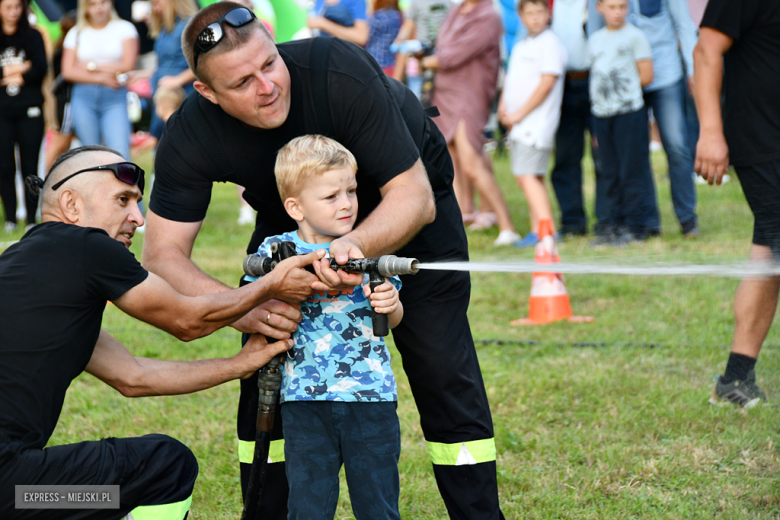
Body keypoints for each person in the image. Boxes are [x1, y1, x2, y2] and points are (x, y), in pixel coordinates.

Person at [144, 4, 505, 519]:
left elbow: (414, 198)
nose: (266, 86)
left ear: (274, 40)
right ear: (207, 93)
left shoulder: (336, 68)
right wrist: (246, 308)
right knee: (268, 352)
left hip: (406, 198)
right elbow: (162, 254)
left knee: (440, 362)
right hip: (292, 214)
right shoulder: (192, 131)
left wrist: (352, 248)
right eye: (242, 82)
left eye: (269, 64)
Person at [0, 145, 324, 519]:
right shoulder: (87, 246)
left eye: (138, 203)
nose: (137, 218)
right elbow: (187, 321)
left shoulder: (28, 269)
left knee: (106, 496)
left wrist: (240, 364)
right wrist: (271, 285)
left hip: (18, 494)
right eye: (122, 200)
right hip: (14, 486)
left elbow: (133, 376)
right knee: (167, 466)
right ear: (71, 205)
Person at [251, 135, 405, 519]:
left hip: (371, 397)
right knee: (308, 503)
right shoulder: (277, 251)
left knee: (378, 504)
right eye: (331, 196)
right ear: (295, 207)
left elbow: (393, 316)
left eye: (351, 191)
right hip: (304, 399)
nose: (347, 203)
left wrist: (392, 304)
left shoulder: (367, 246)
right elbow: (254, 296)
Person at [694, 0, 780, 407]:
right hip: (763, 143)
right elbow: (706, 50)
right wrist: (711, 131)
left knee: (768, 254)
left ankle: (736, 379)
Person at [588, 0, 700, 238]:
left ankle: (688, 219)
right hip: (623, 85)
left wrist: (693, 69)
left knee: (676, 145)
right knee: (634, 157)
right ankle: (647, 223)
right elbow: (596, 32)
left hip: (664, 74)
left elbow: (684, 23)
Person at [421, 0, 521, 246]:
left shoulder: (488, 14)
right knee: (451, 158)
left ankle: (507, 226)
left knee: (471, 161)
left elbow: (456, 53)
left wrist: (429, 61)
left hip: (469, 95)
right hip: (445, 94)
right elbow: (443, 44)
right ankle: (464, 214)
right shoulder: (458, 8)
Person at [588, 0, 659, 246]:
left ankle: (635, 227)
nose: (617, 12)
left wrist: (622, 93)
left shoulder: (636, 37)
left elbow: (647, 75)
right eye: (611, 7)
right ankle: (611, 226)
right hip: (601, 116)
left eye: (621, 6)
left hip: (629, 114)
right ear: (600, 8)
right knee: (609, 172)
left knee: (632, 171)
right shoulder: (595, 39)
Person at [498, 0, 567, 248]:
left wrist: (520, 114)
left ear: (548, 14)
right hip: (519, 124)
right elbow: (511, 79)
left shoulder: (550, 43)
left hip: (535, 124)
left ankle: (546, 231)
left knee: (527, 175)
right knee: (530, 176)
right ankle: (538, 228)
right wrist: (504, 107)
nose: (535, 18)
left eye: (540, 12)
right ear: (521, 16)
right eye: (530, 13)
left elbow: (547, 83)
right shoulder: (521, 45)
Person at [549, 0, 603, 238]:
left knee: (604, 156)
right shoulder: (550, 4)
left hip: (597, 80)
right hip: (562, 85)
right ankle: (572, 223)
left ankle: (607, 219)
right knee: (566, 157)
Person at [61, 0, 139, 160]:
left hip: (114, 96)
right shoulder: (76, 33)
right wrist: (102, 78)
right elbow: (67, 71)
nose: (99, 8)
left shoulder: (125, 28)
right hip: (83, 98)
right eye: (93, 4)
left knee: (120, 153)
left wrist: (90, 66)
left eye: (103, 2)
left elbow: (128, 65)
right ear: (85, 7)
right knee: (91, 156)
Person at [0, 0, 46, 233]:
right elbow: (30, 67)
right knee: (4, 165)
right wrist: (20, 68)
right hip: (2, 112)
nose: (13, 12)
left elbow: (41, 68)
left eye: (17, 6)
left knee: (30, 165)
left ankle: (30, 219)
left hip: (30, 110)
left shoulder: (34, 36)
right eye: (7, 6)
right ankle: (9, 217)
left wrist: (19, 75)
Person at [44, 10, 77, 175]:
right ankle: (46, 178)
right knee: (60, 141)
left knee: (64, 144)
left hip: (66, 99)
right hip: (67, 100)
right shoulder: (65, 50)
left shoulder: (60, 47)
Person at [366, 0, 403, 76]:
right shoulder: (397, 15)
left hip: (373, 62)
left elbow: (365, 37)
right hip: (390, 63)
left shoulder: (379, 16)